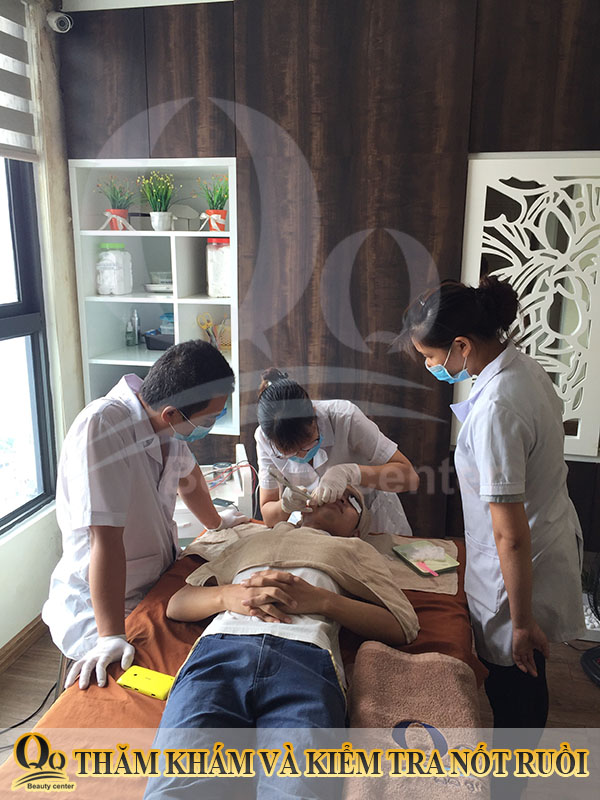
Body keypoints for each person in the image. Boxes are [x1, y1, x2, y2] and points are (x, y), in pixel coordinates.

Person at [143, 486, 419, 800]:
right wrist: (226, 596)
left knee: (297, 790)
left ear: (357, 530)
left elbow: (403, 625)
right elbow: (177, 604)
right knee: (175, 789)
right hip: (219, 654)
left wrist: (323, 601)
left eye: (354, 500)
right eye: (334, 492)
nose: (342, 496)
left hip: (305, 661)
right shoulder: (252, 540)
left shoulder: (355, 549)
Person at [400, 275, 585, 731]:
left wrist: (520, 622)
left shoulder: (497, 409)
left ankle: (513, 769)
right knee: (526, 674)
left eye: (430, 357)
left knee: (518, 677)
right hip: (541, 540)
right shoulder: (523, 369)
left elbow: (510, 534)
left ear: (461, 345)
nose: (430, 366)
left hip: (519, 568)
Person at [42, 340, 249, 690]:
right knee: (136, 686)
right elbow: (105, 539)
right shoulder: (103, 426)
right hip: (104, 605)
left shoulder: (164, 423)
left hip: (156, 582)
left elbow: (189, 478)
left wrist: (217, 523)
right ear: (171, 413)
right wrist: (110, 635)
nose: (212, 424)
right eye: (210, 418)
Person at [254, 368, 419, 534]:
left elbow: (410, 478)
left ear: (314, 415)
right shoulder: (264, 438)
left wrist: (351, 473)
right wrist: (285, 506)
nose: (302, 455)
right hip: (314, 532)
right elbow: (268, 516)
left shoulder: (345, 417)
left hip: (373, 523)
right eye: (289, 453)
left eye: (307, 445)